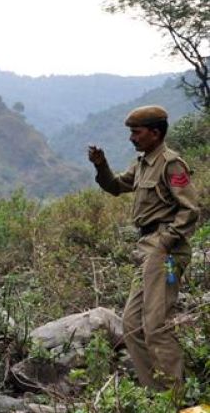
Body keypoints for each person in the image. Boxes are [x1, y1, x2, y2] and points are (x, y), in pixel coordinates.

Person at [88, 104, 199, 391]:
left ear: (155, 133)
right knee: (132, 325)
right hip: (149, 250)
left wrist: (165, 242)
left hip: (166, 253)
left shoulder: (171, 164)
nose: (131, 138)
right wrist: (101, 165)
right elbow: (115, 186)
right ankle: (156, 394)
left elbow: (191, 210)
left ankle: (174, 398)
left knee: (156, 326)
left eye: (136, 132)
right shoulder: (142, 163)